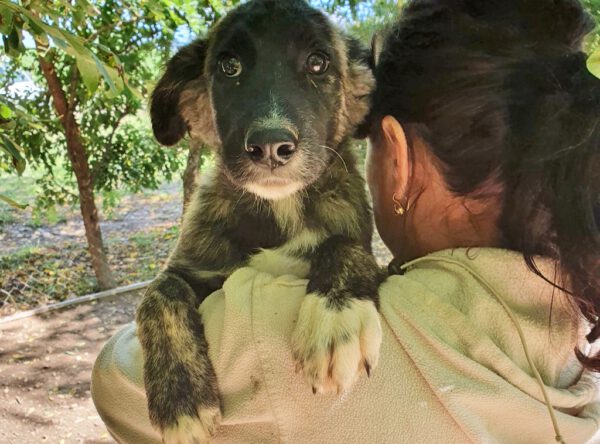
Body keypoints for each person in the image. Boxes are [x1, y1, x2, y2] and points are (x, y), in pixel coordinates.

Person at [91, 0, 600, 442]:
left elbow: (120, 386)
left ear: (396, 155)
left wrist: (343, 264)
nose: (272, 135)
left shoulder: (272, 350)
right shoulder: (571, 329)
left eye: (317, 66)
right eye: (228, 67)